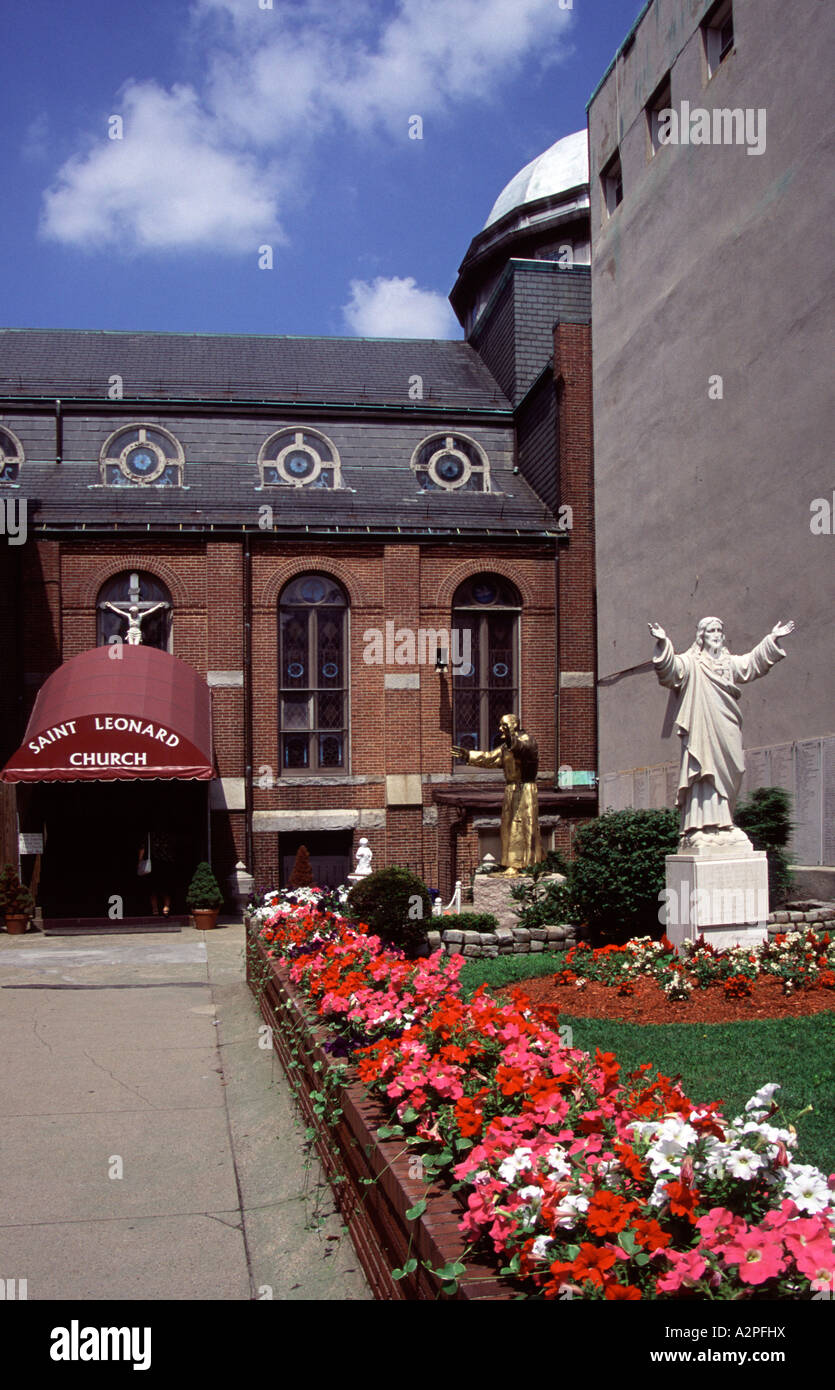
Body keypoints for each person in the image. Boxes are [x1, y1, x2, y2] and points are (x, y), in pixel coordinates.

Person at [649, 615, 795, 847]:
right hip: (702, 728)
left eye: (719, 630)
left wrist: (771, 639)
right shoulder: (692, 662)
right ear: (701, 636)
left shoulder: (728, 662)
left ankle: (726, 823)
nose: (716, 634)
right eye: (711, 631)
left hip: (727, 724)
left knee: (733, 767)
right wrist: (664, 643)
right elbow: (672, 670)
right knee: (703, 771)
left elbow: (751, 664)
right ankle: (699, 827)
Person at [453, 713, 542, 874]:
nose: (500, 729)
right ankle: (511, 862)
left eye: (504, 726)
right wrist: (468, 755)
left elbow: (522, 750)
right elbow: (490, 758)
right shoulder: (505, 747)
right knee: (508, 828)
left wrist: (511, 738)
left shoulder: (527, 741)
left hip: (524, 790)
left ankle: (521, 864)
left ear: (512, 727)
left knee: (521, 825)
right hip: (511, 790)